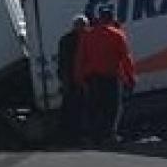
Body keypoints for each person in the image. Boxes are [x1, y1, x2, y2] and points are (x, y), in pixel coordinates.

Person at [72, 11, 135, 147]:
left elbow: (80, 58)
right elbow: (126, 58)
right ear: (111, 20)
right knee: (113, 108)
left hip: (93, 78)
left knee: (93, 107)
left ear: (99, 19)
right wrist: (130, 77)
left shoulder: (87, 36)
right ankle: (110, 135)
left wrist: (79, 78)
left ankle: (91, 137)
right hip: (111, 77)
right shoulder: (117, 35)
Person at [56, 15, 89, 144]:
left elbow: (62, 61)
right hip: (77, 78)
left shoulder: (65, 39)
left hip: (69, 78)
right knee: (79, 107)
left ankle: (68, 135)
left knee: (70, 108)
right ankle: (76, 135)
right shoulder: (83, 39)